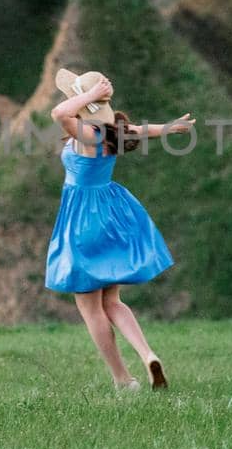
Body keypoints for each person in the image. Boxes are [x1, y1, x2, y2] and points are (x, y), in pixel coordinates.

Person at [45, 69, 195, 390]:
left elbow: (59, 112)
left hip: (83, 220)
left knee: (89, 307)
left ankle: (123, 379)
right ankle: (148, 354)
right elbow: (145, 130)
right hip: (111, 213)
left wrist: (89, 95)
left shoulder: (88, 134)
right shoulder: (114, 131)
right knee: (112, 300)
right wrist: (172, 128)